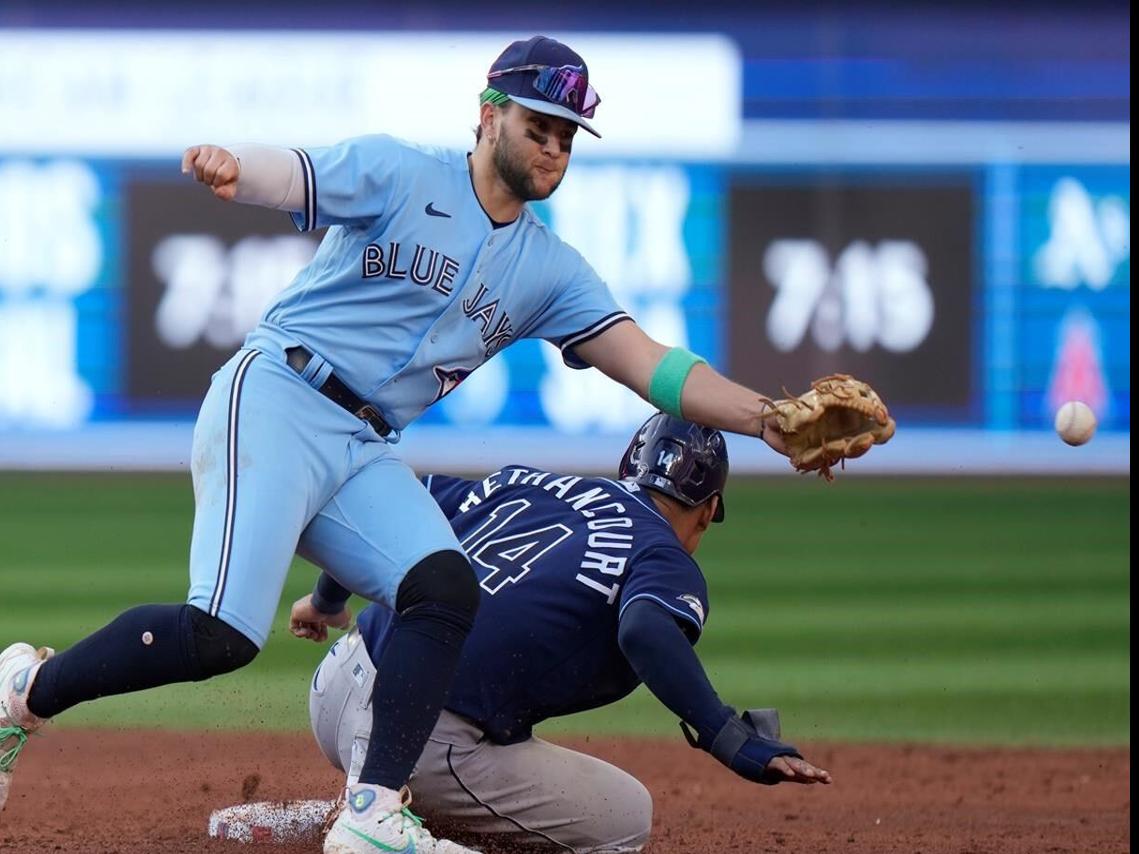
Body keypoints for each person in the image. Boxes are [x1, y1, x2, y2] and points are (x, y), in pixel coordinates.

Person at [1, 34, 801, 854]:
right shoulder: (405, 171)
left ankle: (371, 813)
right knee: (220, 636)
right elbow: (296, 173)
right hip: (279, 395)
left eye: (567, 136)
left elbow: (652, 366)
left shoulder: (549, 271)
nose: (554, 148)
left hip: (361, 445)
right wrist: (232, 167)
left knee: (444, 588)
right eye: (539, 126)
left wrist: (769, 421)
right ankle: (25, 690)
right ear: (489, 116)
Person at [293, 414, 831, 853]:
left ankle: (357, 803)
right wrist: (725, 735)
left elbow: (394, 512)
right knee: (624, 816)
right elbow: (645, 629)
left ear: (630, 469)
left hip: (338, 683)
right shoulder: (660, 552)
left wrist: (325, 601)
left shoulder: (530, 480)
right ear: (709, 509)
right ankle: (381, 831)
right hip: (424, 743)